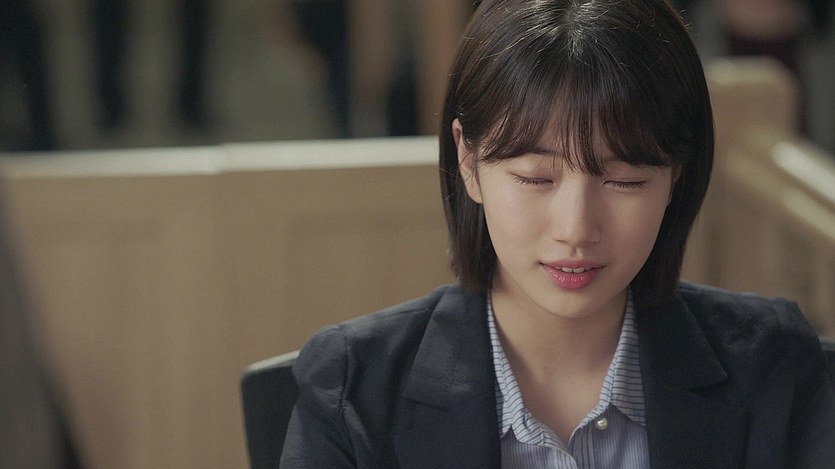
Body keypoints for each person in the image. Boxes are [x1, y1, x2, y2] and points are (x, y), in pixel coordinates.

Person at [279, 0, 835, 467]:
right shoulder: (354, 388)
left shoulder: (775, 366)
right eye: (535, 178)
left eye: (624, 181)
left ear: (676, 178)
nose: (576, 230)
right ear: (468, 161)